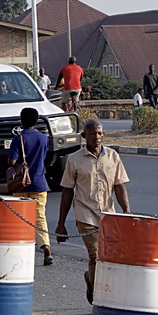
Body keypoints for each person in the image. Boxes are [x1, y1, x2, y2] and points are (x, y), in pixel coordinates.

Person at [55, 119, 131, 305]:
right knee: (95, 254)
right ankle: (99, 297)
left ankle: (91, 280)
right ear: (84, 136)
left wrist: (127, 211)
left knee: (109, 255)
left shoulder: (113, 157)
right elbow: (67, 192)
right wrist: (61, 223)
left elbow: (119, 186)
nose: (96, 137)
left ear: (103, 135)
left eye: (99, 133)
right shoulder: (74, 160)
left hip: (108, 215)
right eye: (92, 134)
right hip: (85, 213)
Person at [8, 108, 52, 266]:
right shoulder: (44, 138)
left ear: (22, 121)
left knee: (21, 217)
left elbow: (12, 162)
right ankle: (45, 246)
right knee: (40, 217)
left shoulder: (18, 138)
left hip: (20, 185)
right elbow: (44, 157)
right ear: (36, 121)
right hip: (39, 183)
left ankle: (23, 250)